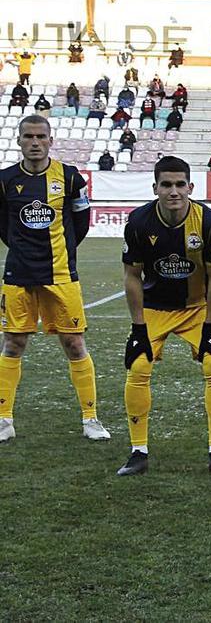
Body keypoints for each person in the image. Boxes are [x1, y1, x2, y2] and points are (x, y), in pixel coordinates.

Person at [115, 156, 211, 477]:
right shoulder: (139, 223)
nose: (174, 191)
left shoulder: (209, 222)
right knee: (138, 365)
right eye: (166, 184)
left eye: (180, 184)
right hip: (155, 308)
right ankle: (138, 451)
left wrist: (210, 327)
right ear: (155, 187)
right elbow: (131, 277)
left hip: (197, 307)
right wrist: (138, 328)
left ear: (191, 187)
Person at [0, 115, 110, 443]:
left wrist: (64, 252)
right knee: (13, 343)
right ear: (19, 141)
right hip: (19, 274)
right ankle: (4, 419)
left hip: (61, 275)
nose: (35, 142)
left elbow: (81, 222)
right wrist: (21, 250)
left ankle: (90, 418)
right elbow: (2, 225)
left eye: (41, 136)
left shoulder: (71, 178)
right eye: (28, 137)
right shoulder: (5, 181)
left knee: (74, 343)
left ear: (51, 140)